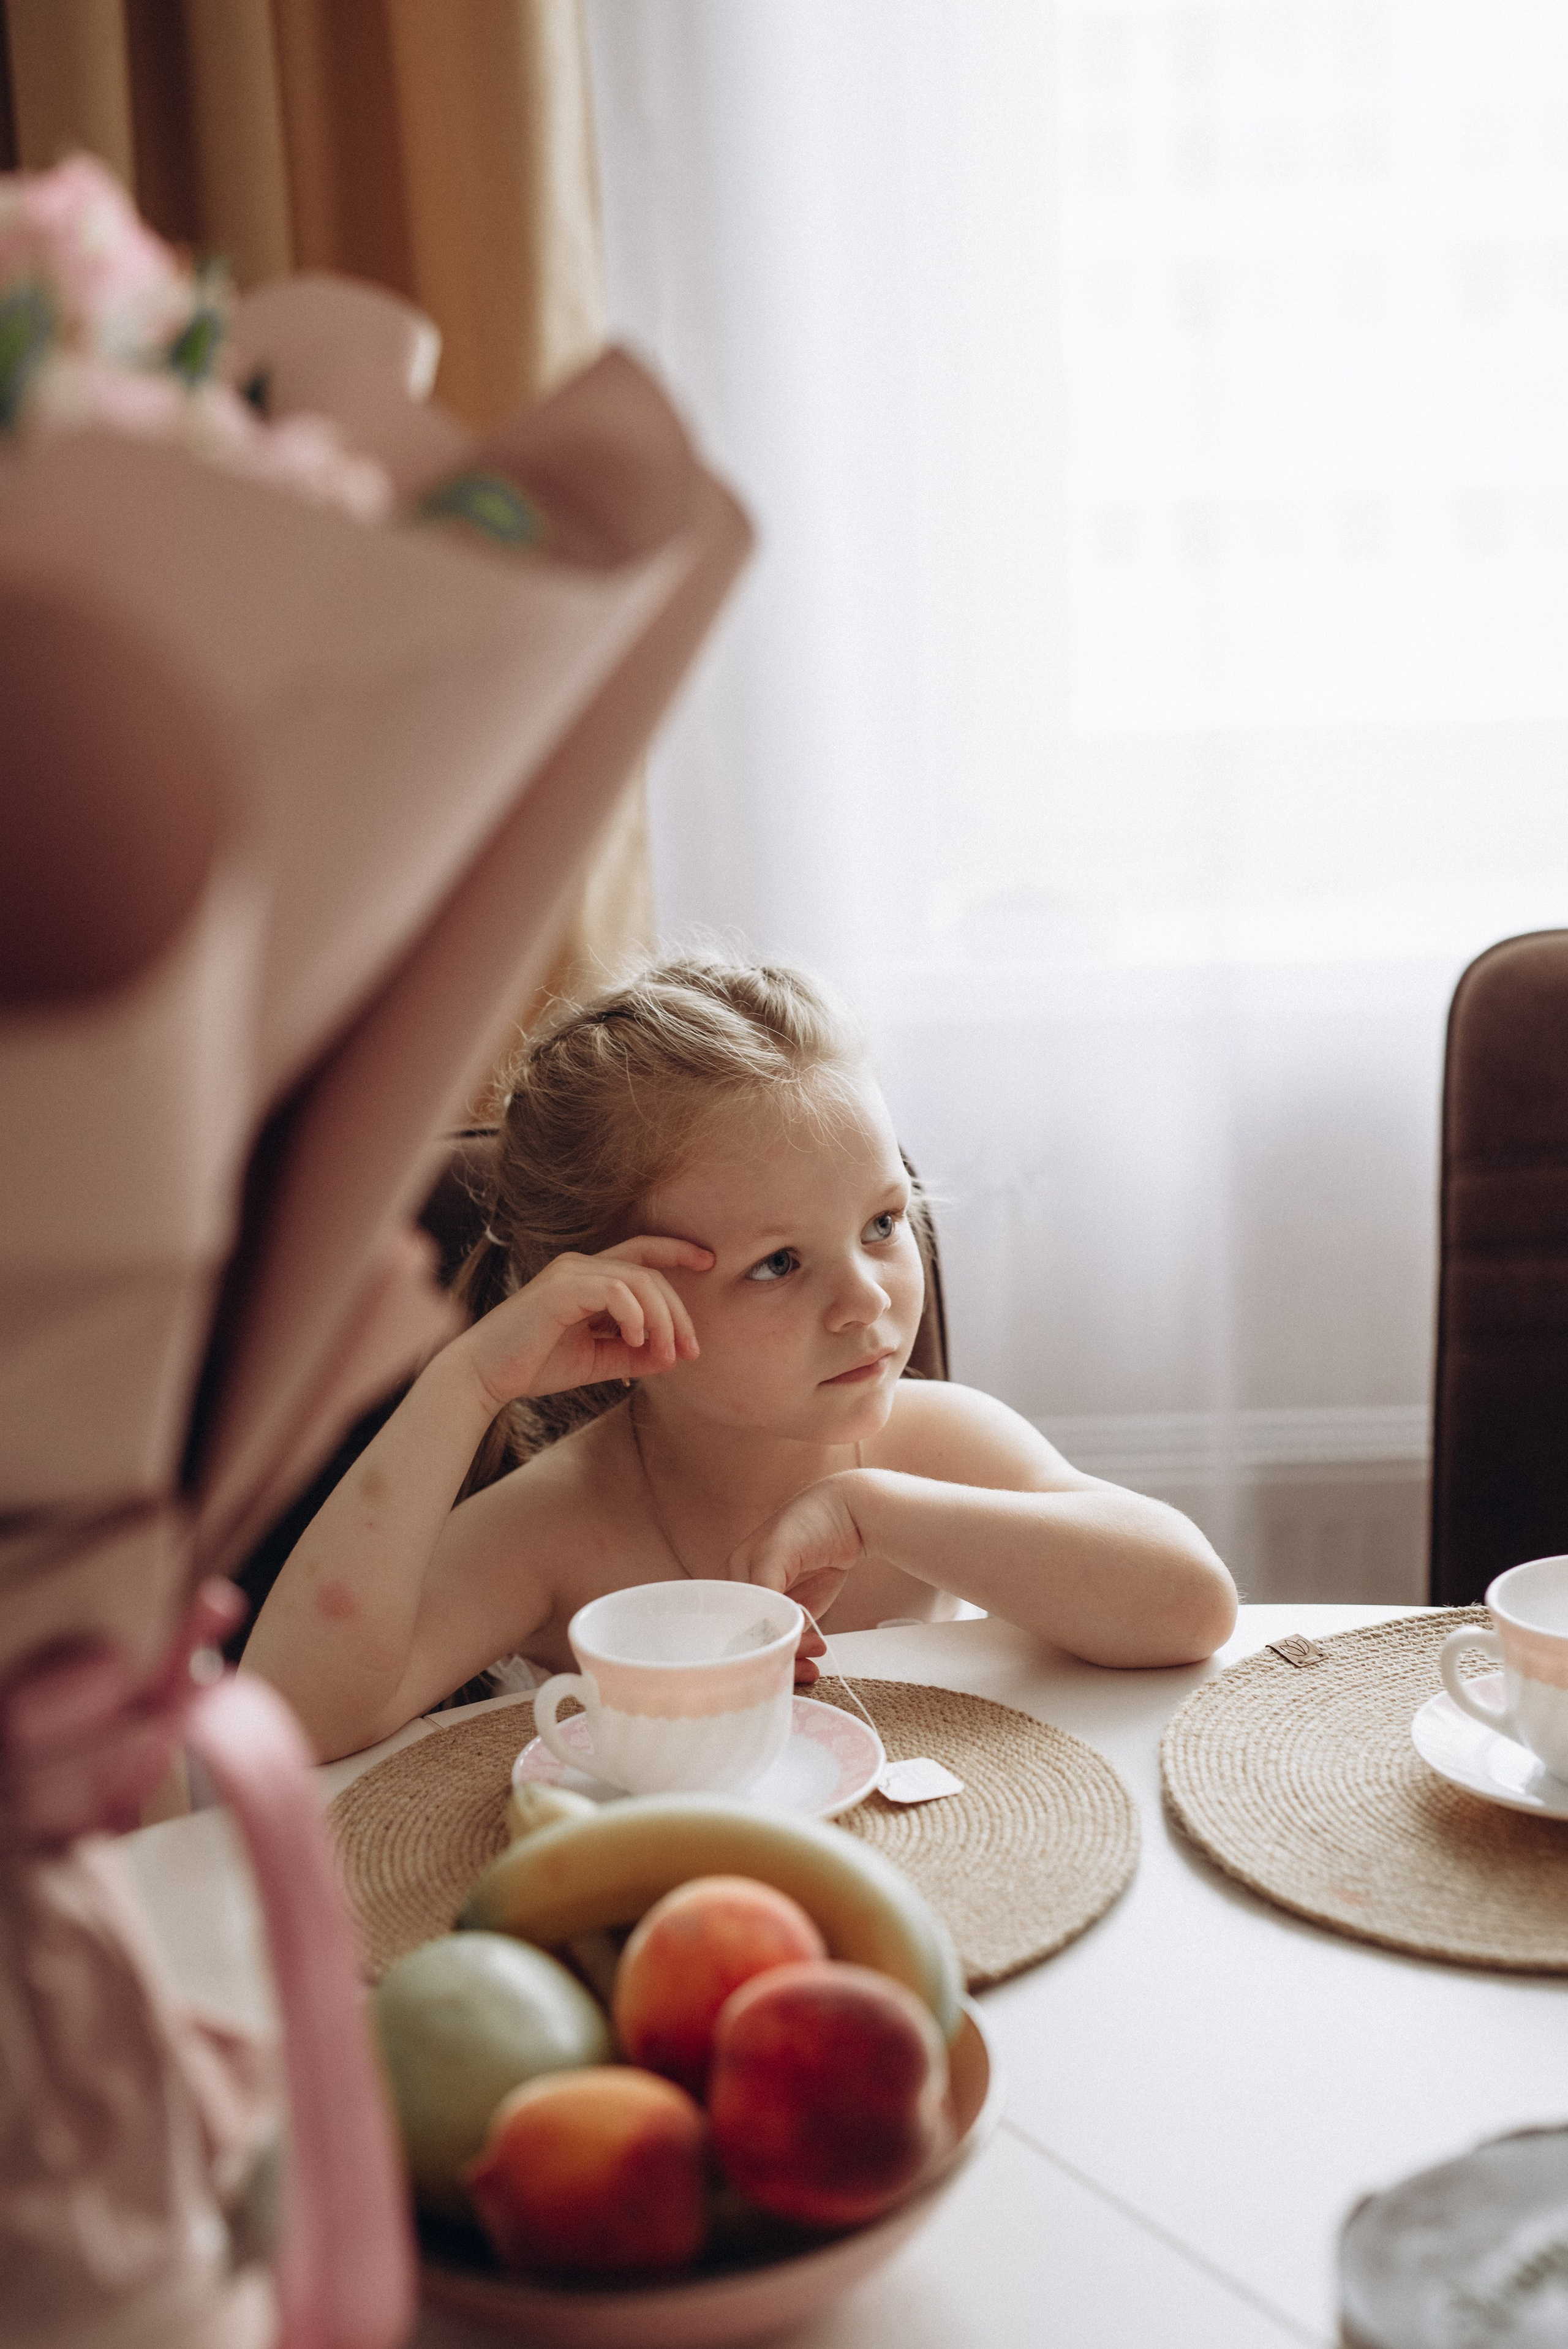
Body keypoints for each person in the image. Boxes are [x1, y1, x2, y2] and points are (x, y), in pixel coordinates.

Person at [244, 957, 1237, 1760]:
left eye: (883, 1221)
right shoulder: (557, 1529)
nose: (866, 1298)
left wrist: (871, 1511)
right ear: (617, 1305)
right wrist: (464, 1383)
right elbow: (292, 1726)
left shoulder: (934, 1445)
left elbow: (1190, 1607)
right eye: (778, 1264)